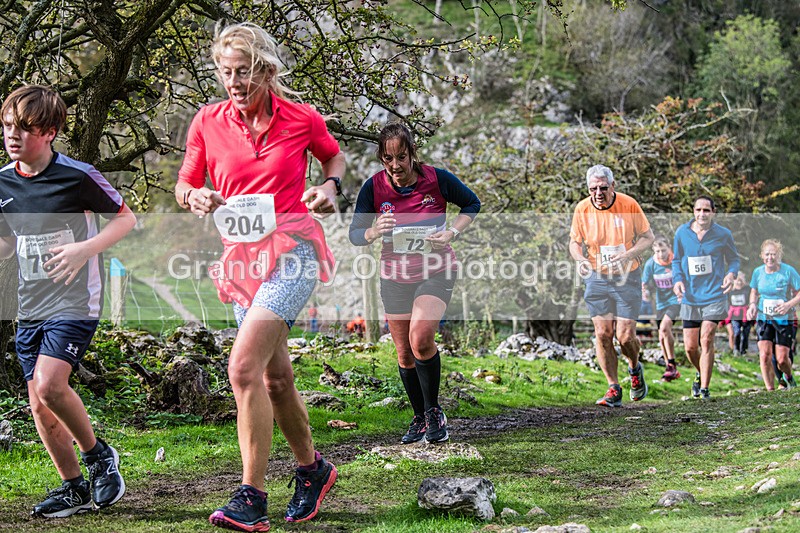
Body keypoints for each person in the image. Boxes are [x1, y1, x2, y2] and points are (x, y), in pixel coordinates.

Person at [174, 22, 345, 531]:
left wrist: (330, 187)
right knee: (275, 378)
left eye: (244, 72)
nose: (234, 82)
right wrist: (194, 197)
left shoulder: (301, 118)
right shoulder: (207, 121)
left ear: (266, 71)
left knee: (243, 367)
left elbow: (333, 156)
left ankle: (251, 496)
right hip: (241, 264)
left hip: (293, 252)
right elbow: (185, 183)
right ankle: (313, 470)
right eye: (226, 73)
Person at [0, 85, 134, 517]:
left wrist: (83, 250)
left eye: (25, 128)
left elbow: (126, 218)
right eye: (7, 126)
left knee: (50, 385)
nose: (13, 135)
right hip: (30, 304)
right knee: (39, 404)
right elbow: (7, 244)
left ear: (50, 132)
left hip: (76, 299)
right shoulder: (2, 182)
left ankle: (99, 457)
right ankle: (74, 488)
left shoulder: (78, 175)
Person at [349, 122, 480, 444]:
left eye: (402, 157)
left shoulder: (437, 179)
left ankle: (434, 411)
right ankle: (420, 416)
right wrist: (374, 231)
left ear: (412, 154)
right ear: (381, 158)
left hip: (436, 270)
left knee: (421, 338)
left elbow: (472, 204)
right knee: (405, 354)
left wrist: (452, 232)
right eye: (388, 159)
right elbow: (355, 234)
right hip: (394, 276)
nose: (396, 166)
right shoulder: (373, 188)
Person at [569, 164, 654, 407]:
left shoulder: (629, 205)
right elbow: (574, 243)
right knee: (603, 334)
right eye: (593, 189)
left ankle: (634, 368)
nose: (598, 193)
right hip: (597, 277)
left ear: (613, 186)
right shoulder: (582, 209)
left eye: (603, 188)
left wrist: (628, 255)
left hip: (627, 276)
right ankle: (613, 387)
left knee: (625, 336)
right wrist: (580, 259)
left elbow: (648, 238)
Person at [672, 196, 740, 399]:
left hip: (715, 295)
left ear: (713, 212)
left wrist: (731, 274)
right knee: (690, 348)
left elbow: (734, 259)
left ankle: (704, 389)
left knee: (707, 338)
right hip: (690, 297)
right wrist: (677, 280)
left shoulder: (723, 234)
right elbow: (676, 260)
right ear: (693, 211)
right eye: (698, 210)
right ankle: (700, 372)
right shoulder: (682, 233)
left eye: (706, 210)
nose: (702, 214)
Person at [746, 239, 800, 390]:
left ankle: (788, 377)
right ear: (762, 256)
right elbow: (754, 291)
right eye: (767, 254)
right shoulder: (758, 272)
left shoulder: (788, 271)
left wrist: (788, 305)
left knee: (782, 359)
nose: (770, 258)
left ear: (779, 256)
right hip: (764, 318)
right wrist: (752, 305)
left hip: (784, 319)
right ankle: (770, 390)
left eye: (773, 254)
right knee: (764, 355)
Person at [641, 235, 681, 381]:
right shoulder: (651, 264)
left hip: (676, 300)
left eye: (663, 250)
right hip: (661, 303)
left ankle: (672, 364)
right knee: (661, 335)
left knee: (664, 327)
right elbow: (644, 283)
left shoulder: (676, 261)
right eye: (657, 251)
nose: (661, 254)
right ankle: (669, 368)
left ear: (669, 248)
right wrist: (644, 291)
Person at [723, 271, 751, 356]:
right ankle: (736, 349)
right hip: (735, 315)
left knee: (745, 334)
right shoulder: (730, 291)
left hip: (746, 315)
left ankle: (744, 350)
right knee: (736, 331)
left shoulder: (747, 289)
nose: (739, 283)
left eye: (740, 281)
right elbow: (726, 303)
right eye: (737, 281)